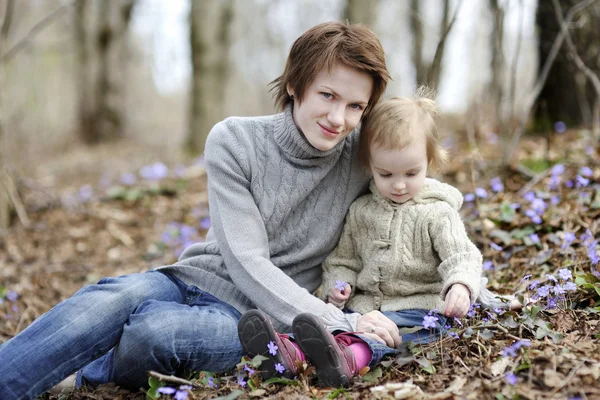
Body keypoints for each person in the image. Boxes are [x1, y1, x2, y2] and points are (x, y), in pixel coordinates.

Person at [0, 21, 403, 400]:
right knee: (111, 299)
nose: (338, 119)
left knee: (155, 333)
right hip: (191, 279)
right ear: (296, 85)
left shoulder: (362, 156)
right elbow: (246, 259)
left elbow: (427, 195)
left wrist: (462, 278)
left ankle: (91, 374)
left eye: (355, 106)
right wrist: (338, 321)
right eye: (327, 95)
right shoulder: (235, 140)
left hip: (257, 320)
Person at [237, 88, 519, 388]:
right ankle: (290, 352)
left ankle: (349, 359)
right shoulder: (361, 211)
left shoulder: (437, 213)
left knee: (382, 337)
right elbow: (344, 259)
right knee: (328, 324)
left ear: (430, 161)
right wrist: (338, 286)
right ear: (369, 165)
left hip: (418, 312)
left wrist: (461, 286)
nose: (398, 185)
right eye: (385, 175)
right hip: (363, 309)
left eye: (411, 173)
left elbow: (461, 256)